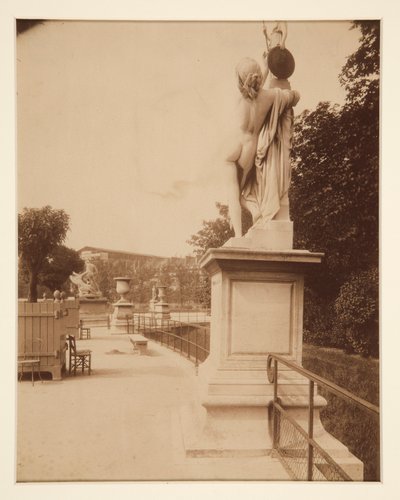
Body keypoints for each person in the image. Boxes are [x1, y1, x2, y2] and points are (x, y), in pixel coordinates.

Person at [224, 50, 299, 236]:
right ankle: (252, 212)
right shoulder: (269, 97)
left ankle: (239, 233)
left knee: (233, 193)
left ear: (241, 79)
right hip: (250, 149)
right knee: (239, 192)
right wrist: (289, 91)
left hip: (232, 149)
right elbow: (292, 97)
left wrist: (265, 69)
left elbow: (252, 90)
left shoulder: (241, 98)